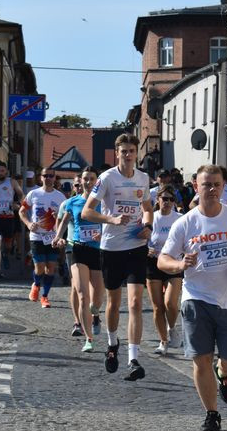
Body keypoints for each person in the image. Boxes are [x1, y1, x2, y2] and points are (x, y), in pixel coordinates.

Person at [159, 165, 227, 431]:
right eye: (206, 184)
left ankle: (225, 373)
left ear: (223, 187)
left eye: (216, 184)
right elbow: (163, 259)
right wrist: (181, 264)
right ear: (196, 186)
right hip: (196, 297)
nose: (212, 189)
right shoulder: (185, 223)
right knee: (200, 359)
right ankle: (212, 413)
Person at [81, 134, 154, 382]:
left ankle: (134, 359)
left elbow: (147, 208)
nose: (128, 155)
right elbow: (87, 211)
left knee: (135, 303)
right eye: (124, 151)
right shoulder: (107, 178)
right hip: (111, 247)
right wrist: (110, 219)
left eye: (132, 151)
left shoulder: (143, 178)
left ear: (137, 153)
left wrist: (148, 226)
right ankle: (113, 344)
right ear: (117, 153)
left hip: (136, 245)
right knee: (113, 302)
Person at [54, 167, 104, 353]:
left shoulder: (103, 202)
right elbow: (65, 221)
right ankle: (88, 338)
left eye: (92, 179)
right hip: (76, 249)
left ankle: (96, 313)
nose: (88, 182)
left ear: (97, 181)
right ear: (80, 181)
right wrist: (57, 237)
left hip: (98, 251)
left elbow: (110, 222)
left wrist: (103, 235)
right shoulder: (73, 202)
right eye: (85, 179)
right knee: (83, 294)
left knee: (97, 298)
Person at [19, 168, 67, 308]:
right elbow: (21, 211)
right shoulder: (34, 194)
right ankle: (36, 284)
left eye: (51, 176)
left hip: (53, 236)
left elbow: (65, 216)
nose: (48, 178)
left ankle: (45, 297)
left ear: (54, 178)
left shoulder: (60, 197)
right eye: (45, 175)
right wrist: (28, 223)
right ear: (41, 178)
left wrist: (58, 218)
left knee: (51, 268)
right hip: (37, 236)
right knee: (39, 267)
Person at [147, 186, 184, 355]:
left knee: (170, 303)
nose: (167, 202)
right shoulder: (151, 218)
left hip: (173, 264)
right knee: (157, 307)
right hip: (153, 264)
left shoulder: (180, 219)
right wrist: (147, 249)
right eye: (164, 199)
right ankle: (163, 342)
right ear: (158, 200)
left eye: (171, 199)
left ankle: (172, 327)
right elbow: (139, 237)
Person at [0, 161, 24, 279]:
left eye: (2, 171)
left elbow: (21, 194)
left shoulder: (12, 182)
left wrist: (17, 204)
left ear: (6, 171)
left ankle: (6, 253)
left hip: (9, 217)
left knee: (8, 244)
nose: (0, 172)